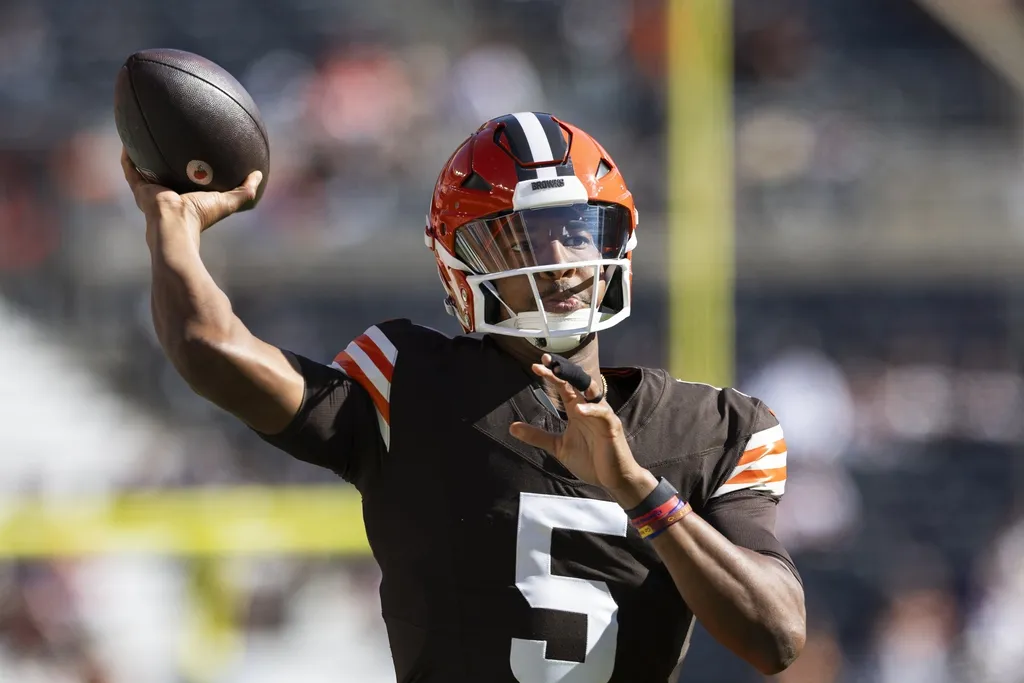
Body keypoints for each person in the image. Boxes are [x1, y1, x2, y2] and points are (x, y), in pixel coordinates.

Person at [122, 112, 806, 683]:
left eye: (576, 227)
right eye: (526, 236)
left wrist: (639, 492)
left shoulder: (717, 427)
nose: (564, 257)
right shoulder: (407, 381)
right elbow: (208, 348)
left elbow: (776, 635)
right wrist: (172, 226)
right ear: (462, 264)